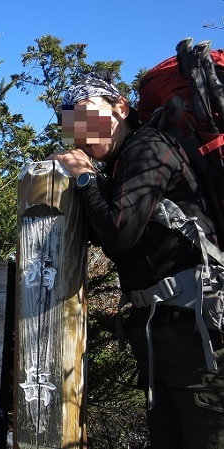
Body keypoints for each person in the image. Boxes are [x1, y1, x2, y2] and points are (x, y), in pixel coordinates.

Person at [52, 73, 224, 449]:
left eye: (87, 118)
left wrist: (83, 177)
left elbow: (118, 232)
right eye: (72, 127)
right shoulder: (117, 166)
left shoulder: (147, 148)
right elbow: (109, 232)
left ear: (121, 107)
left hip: (196, 329)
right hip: (161, 329)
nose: (81, 133)